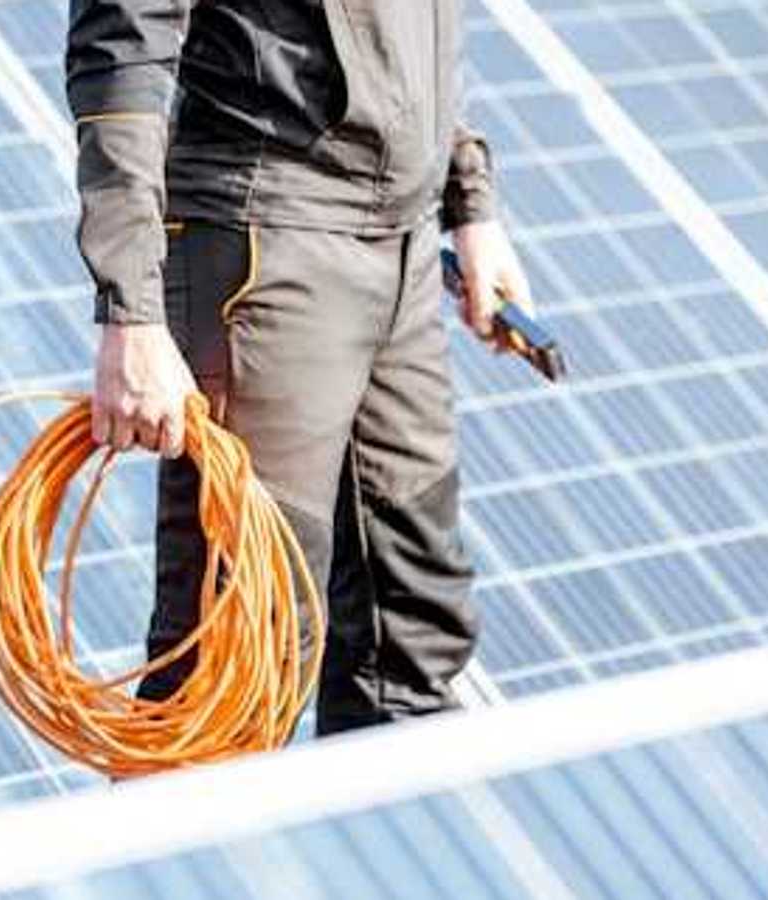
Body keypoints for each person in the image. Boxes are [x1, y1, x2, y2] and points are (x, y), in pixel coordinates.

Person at [68, 0, 534, 735]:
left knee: (414, 627)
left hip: (402, 246)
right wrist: (133, 310)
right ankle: (190, 850)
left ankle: (379, 842)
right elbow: (123, 45)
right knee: (243, 650)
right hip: (268, 240)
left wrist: (467, 198)